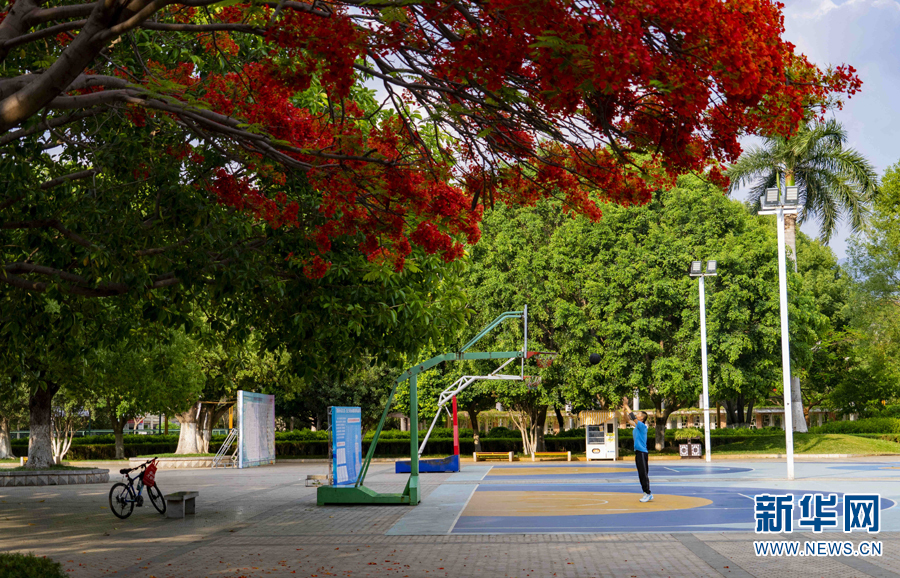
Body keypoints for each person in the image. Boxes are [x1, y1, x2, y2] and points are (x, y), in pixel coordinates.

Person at [622, 396, 652, 502]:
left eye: (638, 414)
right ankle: (647, 492)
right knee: (641, 474)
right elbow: (627, 419)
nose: (637, 415)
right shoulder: (637, 426)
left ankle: (647, 493)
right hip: (638, 453)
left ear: (641, 418)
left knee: (643, 474)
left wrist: (626, 405)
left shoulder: (642, 426)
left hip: (642, 453)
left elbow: (632, 416)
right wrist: (624, 410)